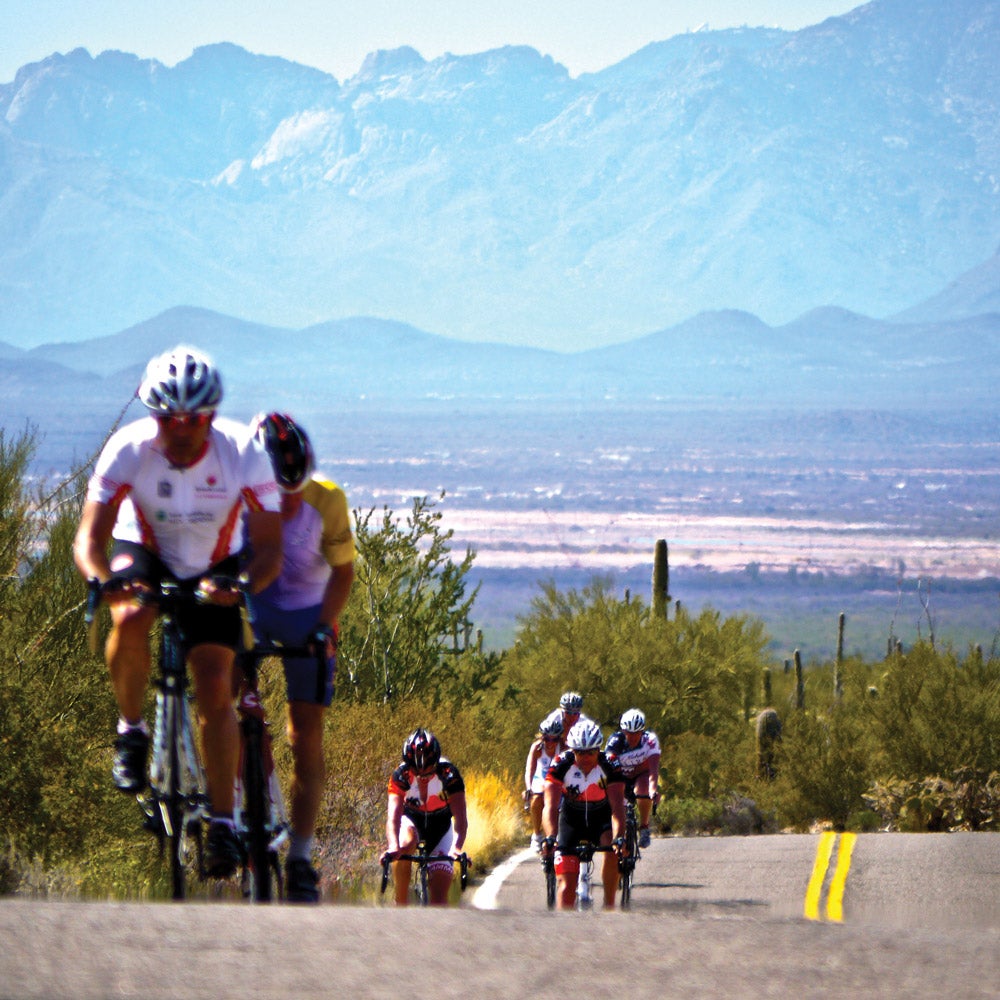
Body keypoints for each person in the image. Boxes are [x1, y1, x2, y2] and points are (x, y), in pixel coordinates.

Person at [73, 345, 283, 878]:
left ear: (212, 416)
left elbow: (270, 551)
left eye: (194, 418)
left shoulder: (243, 453)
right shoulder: (127, 449)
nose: (182, 429)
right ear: (153, 415)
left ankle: (221, 822)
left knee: (215, 681)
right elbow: (88, 540)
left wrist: (242, 586)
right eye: (169, 418)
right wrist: (104, 582)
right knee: (129, 617)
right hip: (144, 547)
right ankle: (131, 728)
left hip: (217, 560)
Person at [248, 412, 356, 903]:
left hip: (308, 615)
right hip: (254, 610)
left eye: (296, 487)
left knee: (304, 735)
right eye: (279, 491)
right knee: (224, 703)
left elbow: (342, 572)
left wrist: (322, 626)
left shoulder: (328, 499)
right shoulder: (238, 494)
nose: (288, 500)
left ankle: (301, 857)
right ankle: (254, 799)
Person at [542, 719, 626, 910]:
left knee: (612, 850)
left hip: (602, 817)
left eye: (591, 752)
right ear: (572, 750)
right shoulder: (561, 764)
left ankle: (609, 906)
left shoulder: (610, 764)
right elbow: (551, 806)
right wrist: (550, 837)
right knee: (566, 886)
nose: (586, 757)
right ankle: (564, 929)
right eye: (580, 752)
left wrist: (619, 838)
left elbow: (617, 808)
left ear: (599, 750)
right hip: (571, 819)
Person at [381, 728, 468, 906]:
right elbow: (393, 818)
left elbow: (460, 819)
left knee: (438, 900)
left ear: (436, 763)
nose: (421, 777)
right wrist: (393, 846)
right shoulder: (401, 775)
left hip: (441, 827)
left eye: (428, 773)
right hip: (412, 821)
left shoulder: (449, 774)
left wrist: (457, 847)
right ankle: (400, 903)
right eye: (416, 772)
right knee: (404, 845)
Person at [605, 708, 662, 848]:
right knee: (619, 808)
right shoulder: (615, 742)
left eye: (637, 733)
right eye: (629, 733)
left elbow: (653, 769)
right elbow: (607, 768)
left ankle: (644, 827)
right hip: (620, 775)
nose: (633, 737)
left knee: (644, 790)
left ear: (642, 732)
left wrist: (653, 789)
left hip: (641, 774)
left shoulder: (650, 740)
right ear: (623, 731)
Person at [523, 710, 564, 850]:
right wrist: (528, 788)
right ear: (542, 737)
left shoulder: (564, 748)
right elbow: (530, 769)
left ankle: (557, 833)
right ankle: (536, 835)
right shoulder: (537, 748)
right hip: (541, 777)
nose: (551, 743)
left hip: (558, 777)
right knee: (537, 797)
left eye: (555, 739)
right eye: (547, 739)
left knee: (561, 802)